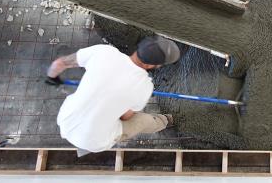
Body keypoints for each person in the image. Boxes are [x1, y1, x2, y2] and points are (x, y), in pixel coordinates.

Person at [45, 36, 180, 154]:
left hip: (65, 120)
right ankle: (165, 121)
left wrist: (52, 78)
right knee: (144, 121)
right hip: (94, 141)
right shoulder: (144, 86)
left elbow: (59, 64)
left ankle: (165, 121)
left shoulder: (104, 51)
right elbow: (126, 117)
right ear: (151, 65)